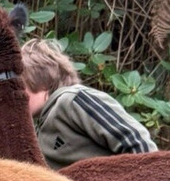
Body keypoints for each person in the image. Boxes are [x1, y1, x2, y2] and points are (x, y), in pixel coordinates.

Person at [19, 38, 157, 169]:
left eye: (20, 85)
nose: (14, 95)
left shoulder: (72, 100)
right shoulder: (37, 131)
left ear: (41, 80)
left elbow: (137, 142)